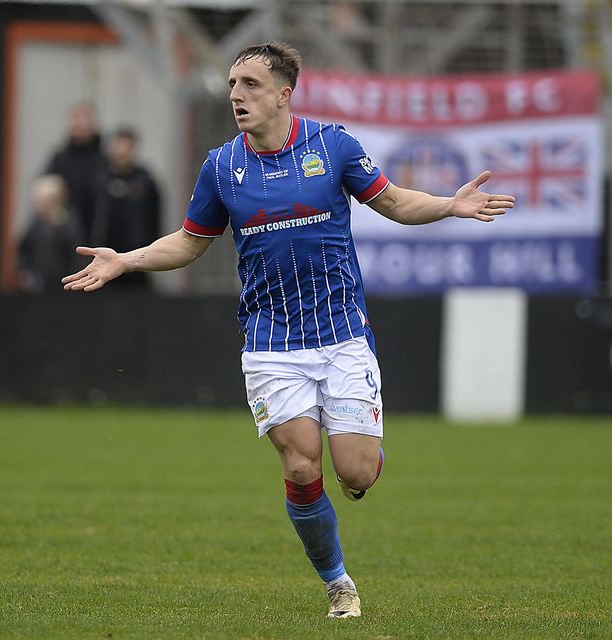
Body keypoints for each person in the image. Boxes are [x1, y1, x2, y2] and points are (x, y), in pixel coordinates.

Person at [62, 41, 515, 618]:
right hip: (271, 343)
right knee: (302, 467)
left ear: (283, 93)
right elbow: (188, 242)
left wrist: (450, 206)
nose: (236, 95)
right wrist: (126, 259)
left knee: (355, 471)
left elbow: (397, 203)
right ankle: (338, 584)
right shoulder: (222, 166)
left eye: (250, 84)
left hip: (343, 333)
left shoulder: (334, 146)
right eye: (231, 84)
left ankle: (363, 462)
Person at [91, 127, 161, 289]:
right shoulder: (99, 180)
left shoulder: (146, 182)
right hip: (102, 258)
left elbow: (154, 219)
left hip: (136, 262)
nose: (122, 153)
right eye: (118, 147)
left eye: (126, 148)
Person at [45, 101, 107, 243]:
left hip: (95, 238)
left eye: (83, 119)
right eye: (74, 119)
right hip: (61, 240)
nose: (78, 124)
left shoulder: (104, 162)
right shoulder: (58, 160)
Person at [18, 174, 85, 294]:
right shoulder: (36, 224)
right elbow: (23, 250)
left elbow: (77, 256)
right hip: (38, 286)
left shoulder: (69, 223)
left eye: (41, 200)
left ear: (55, 200)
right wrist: (25, 272)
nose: (37, 205)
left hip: (64, 287)